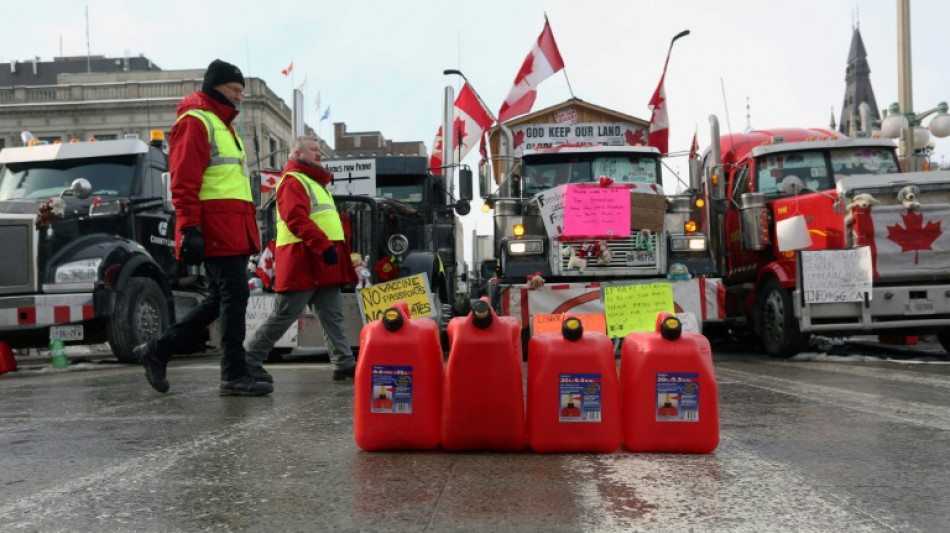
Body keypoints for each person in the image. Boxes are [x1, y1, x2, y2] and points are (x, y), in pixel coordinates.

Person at [135, 59, 272, 397]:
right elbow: (182, 180)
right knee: (233, 295)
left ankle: (159, 349)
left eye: (242, 90)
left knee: (220, 298)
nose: (240, 96)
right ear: (215, 87)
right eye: (234, 89)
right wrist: (190, 228)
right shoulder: (196, 122)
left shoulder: (221, 126)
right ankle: (233, 373)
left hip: (232, 227)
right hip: (216, 228)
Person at [244, 136, 358, 382]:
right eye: (313, 150)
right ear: (297, 153)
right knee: (285, 314)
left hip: (317, 259)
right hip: (304, 259)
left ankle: (344, 363)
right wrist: (323, 245)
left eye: (320, 150)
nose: (319, 154)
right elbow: (296, 219)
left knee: (332, 314)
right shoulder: (293, 180)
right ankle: (248, 360)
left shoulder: (311, 182)